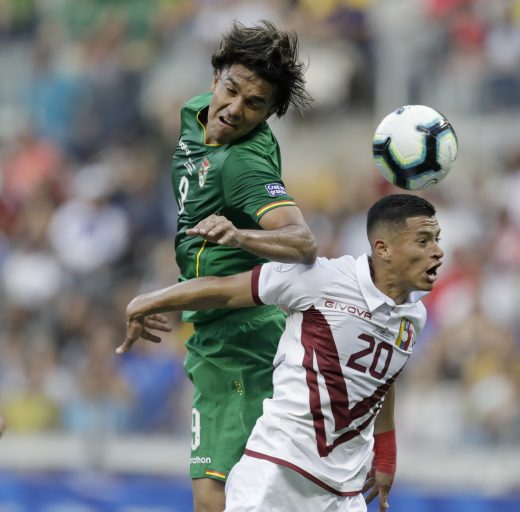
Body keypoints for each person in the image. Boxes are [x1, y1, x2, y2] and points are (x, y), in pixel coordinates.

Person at [118, 194, 444, 511]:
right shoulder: (322, 278)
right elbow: (226, 291)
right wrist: (147, 302)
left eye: (437, 240)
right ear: (383, 248)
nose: (438, 252)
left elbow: (382, 381)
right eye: (424, 241)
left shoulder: (414, 318)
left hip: (344, 494)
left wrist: (386, 454)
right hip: (277, 474)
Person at [166, 20, 316, 512]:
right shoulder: (194, 113)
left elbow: (302, 241)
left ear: (270, 113)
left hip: (243, 343)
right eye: (231, 91)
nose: (233, 110)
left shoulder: (241, 165)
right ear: (215, 77)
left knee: (214, 500)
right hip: (212, 334)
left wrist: (239, 234)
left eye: (255, 106)